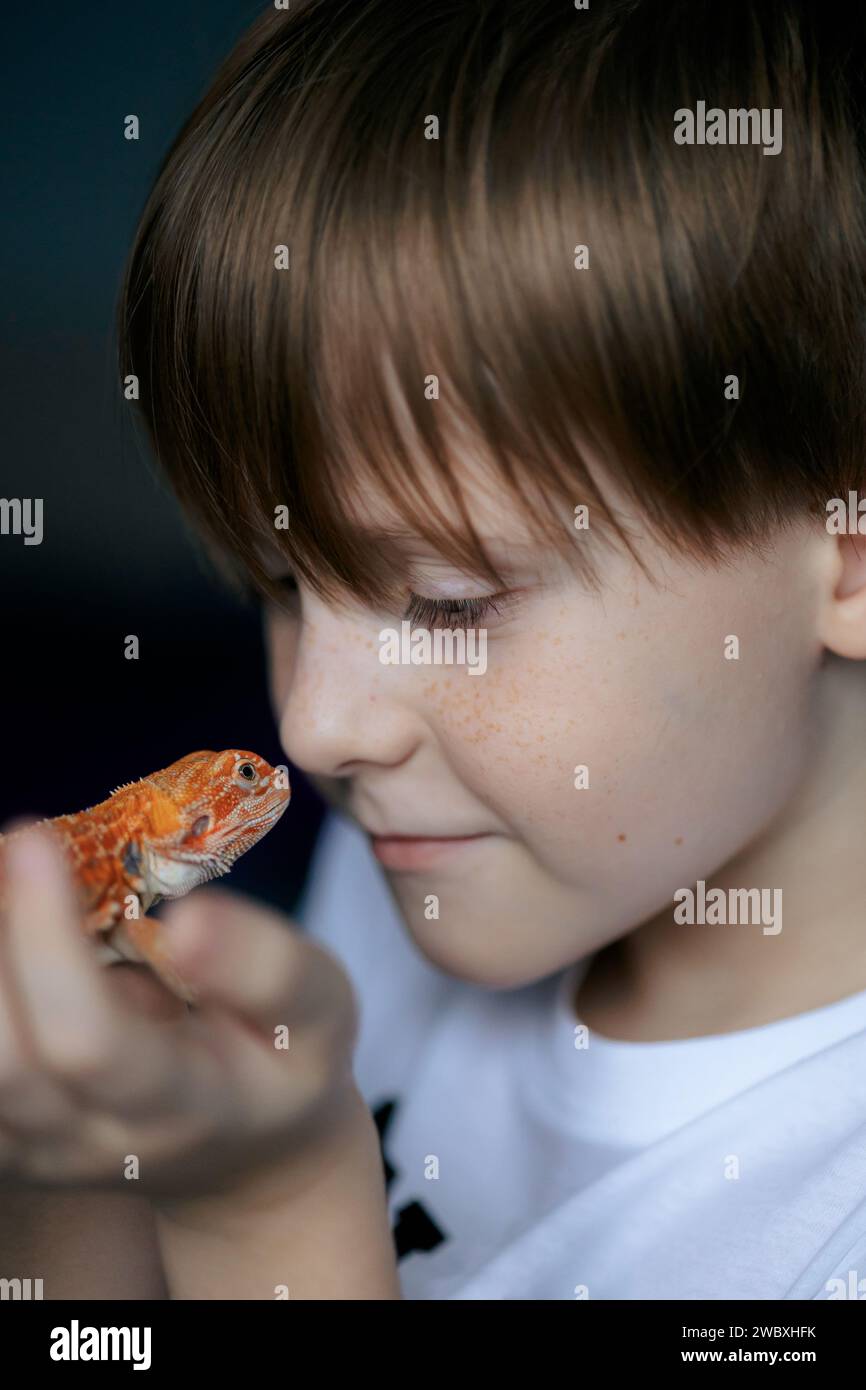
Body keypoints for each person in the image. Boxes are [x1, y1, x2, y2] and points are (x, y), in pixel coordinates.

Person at [4, 0, 866, 1299]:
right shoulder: (408, 854)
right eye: (281, 580)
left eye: (451, 602)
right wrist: (87, 1143)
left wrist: (268, 1212)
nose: (314, 723)